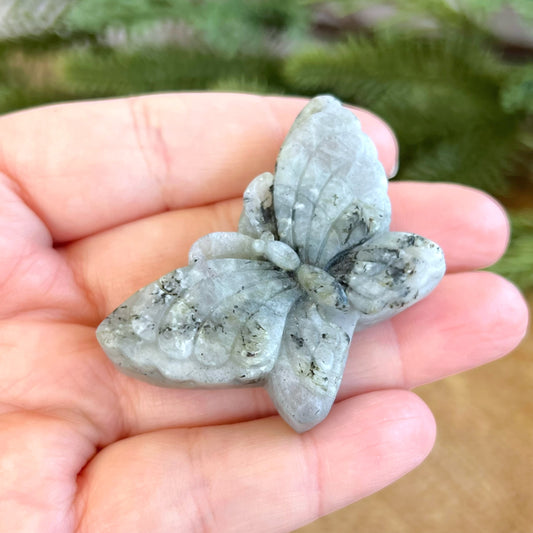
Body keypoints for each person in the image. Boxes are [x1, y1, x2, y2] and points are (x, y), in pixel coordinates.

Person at [0, 93, 527, 532]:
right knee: (306, 401)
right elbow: (137, 333)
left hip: (327, 281)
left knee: (408, 280)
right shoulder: (247, 267)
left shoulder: (242, 252)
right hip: (298, 308)